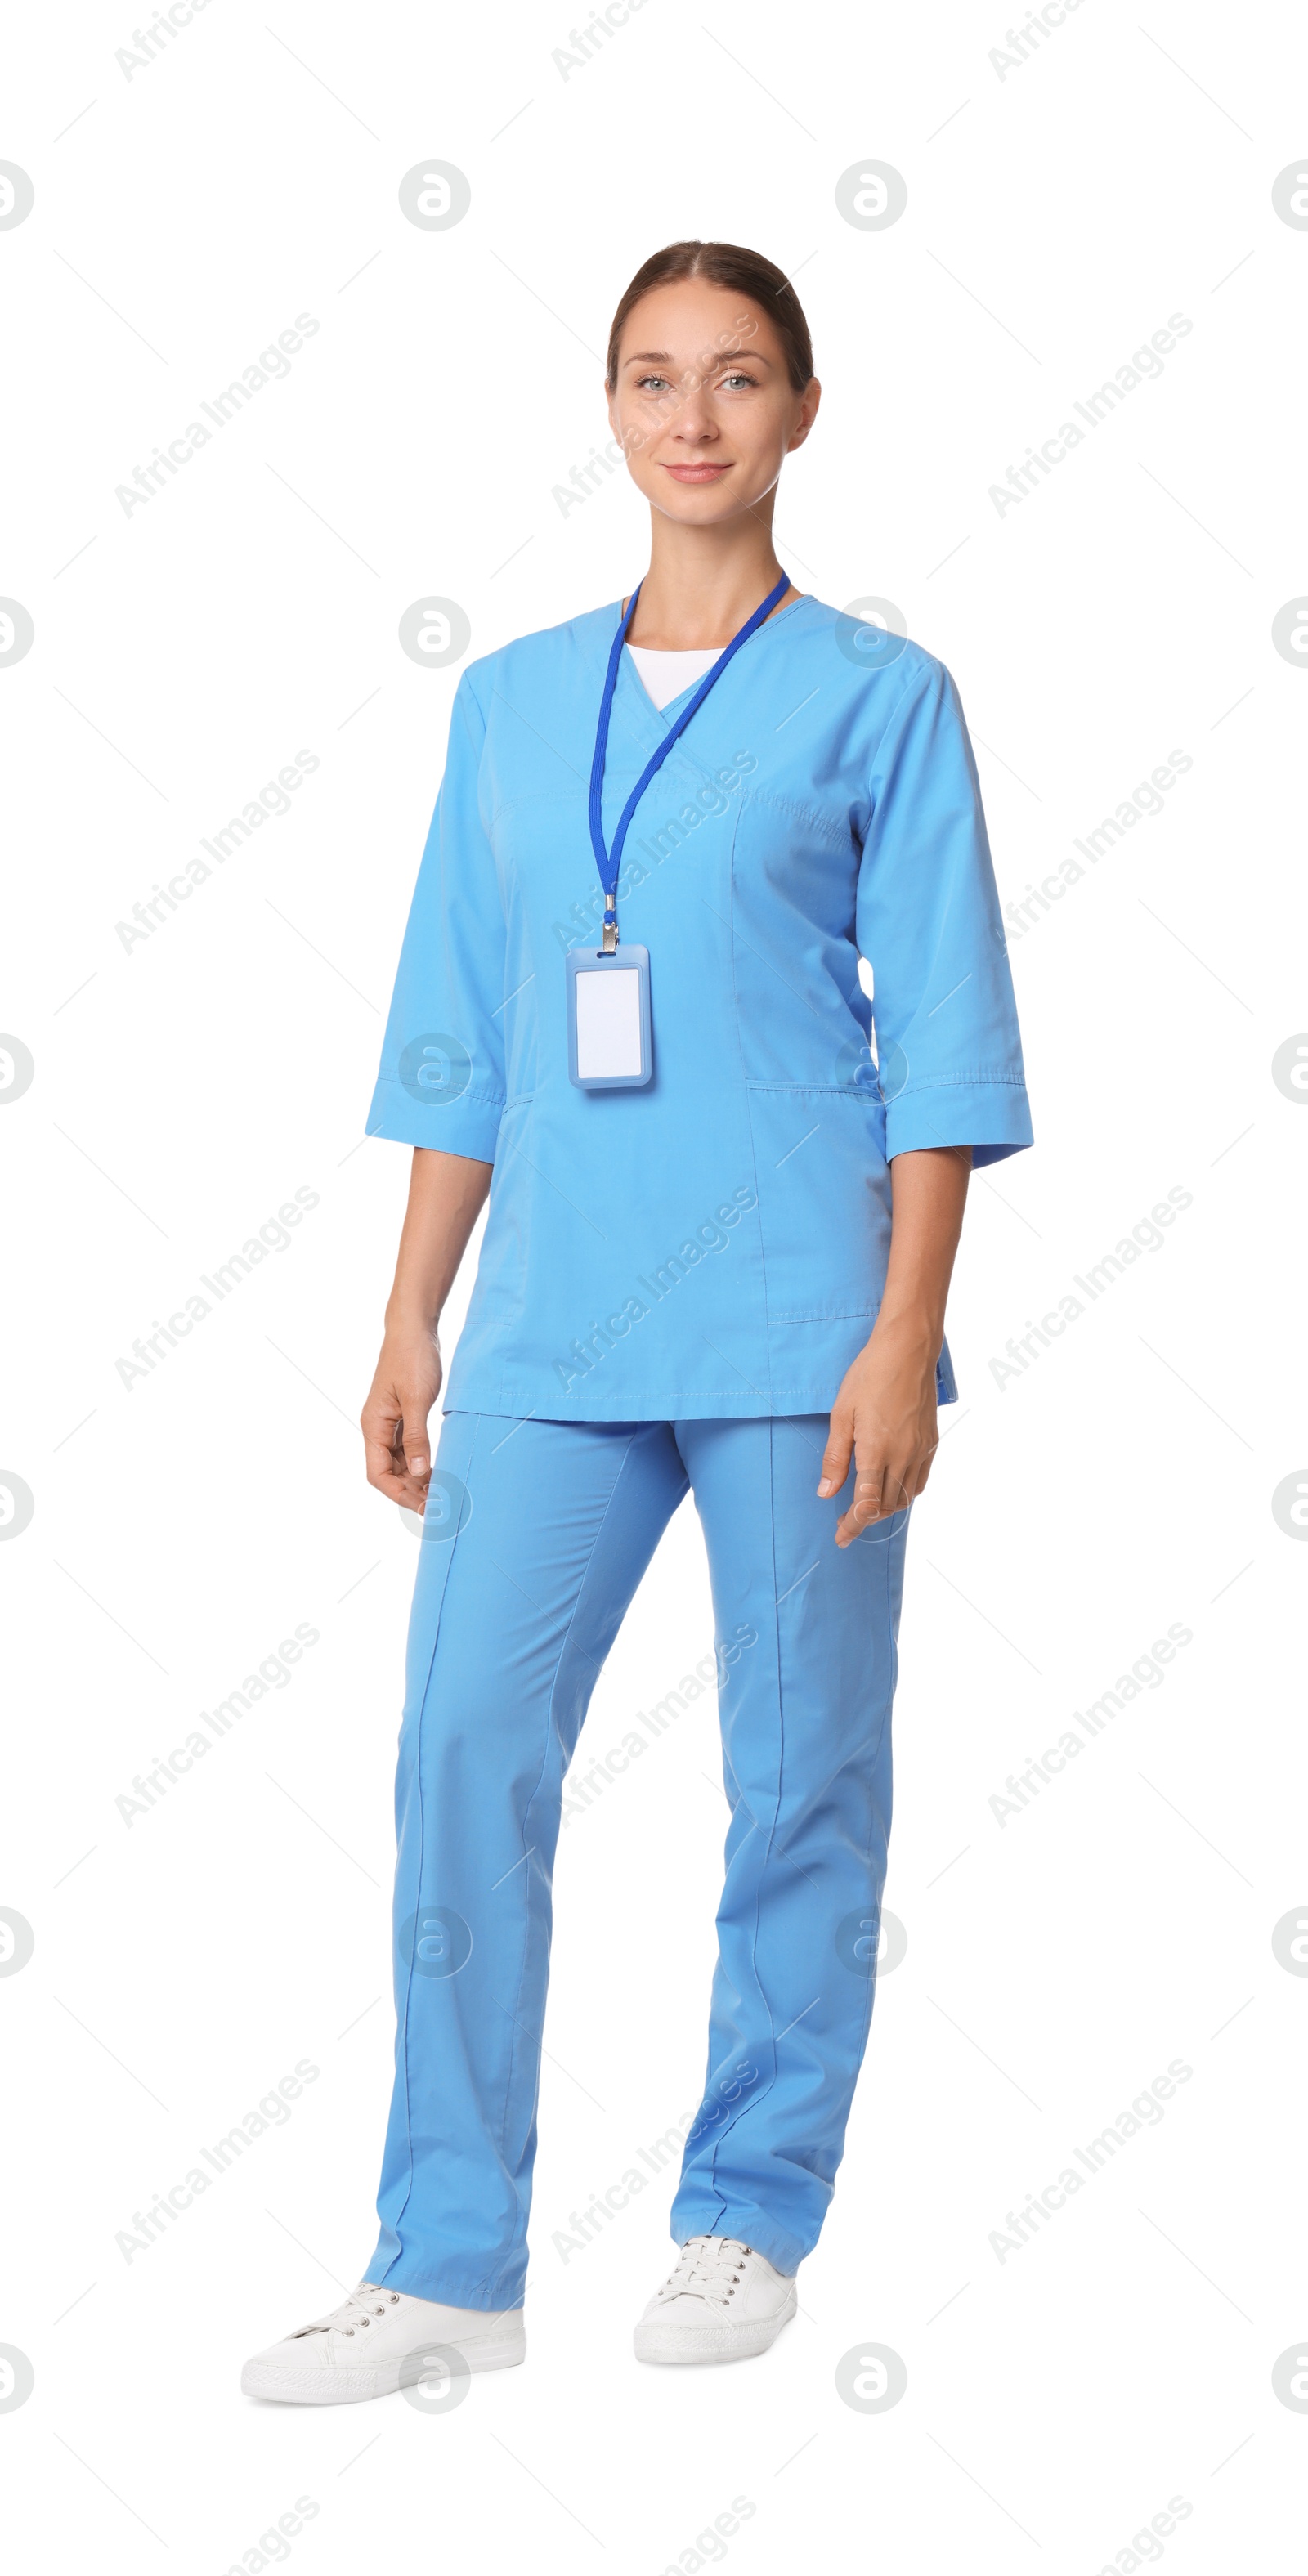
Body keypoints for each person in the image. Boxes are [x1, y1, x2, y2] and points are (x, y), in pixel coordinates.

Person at [242, 238, 1032, 2403]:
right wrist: (410, 1319)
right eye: (656, 378)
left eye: (741, 378)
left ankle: (743, 2207)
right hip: (552, 1329)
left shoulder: (881, 700)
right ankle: (448, 2260)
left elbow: (946, 1043)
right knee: (461, 1759)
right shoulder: (510, 704)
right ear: (610, 411)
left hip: (800, 1319)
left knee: (797, 1781)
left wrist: (903, 1333)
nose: (696, 418)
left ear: (799, 413)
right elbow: (463, 1029)